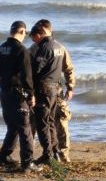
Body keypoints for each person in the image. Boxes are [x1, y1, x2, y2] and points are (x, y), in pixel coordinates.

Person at [0, 21, 39, 172]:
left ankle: (4, 156)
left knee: (12, 126)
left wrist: (6, 75)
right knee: (25, 127)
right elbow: (27, 76)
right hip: (18, 93)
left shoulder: (2, 48)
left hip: (4, 91)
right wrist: (31, 94)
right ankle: (27, 162)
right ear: (22, 31)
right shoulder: (21, 50)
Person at [29, 19, 75, 162]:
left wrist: (70, 86)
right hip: (53, 89)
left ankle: (59, 154)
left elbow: (68, 68)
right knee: (39, 122)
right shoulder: (40, 48)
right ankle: (45, 153)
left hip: (47, 89)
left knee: (57, 121)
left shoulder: (49, 48)